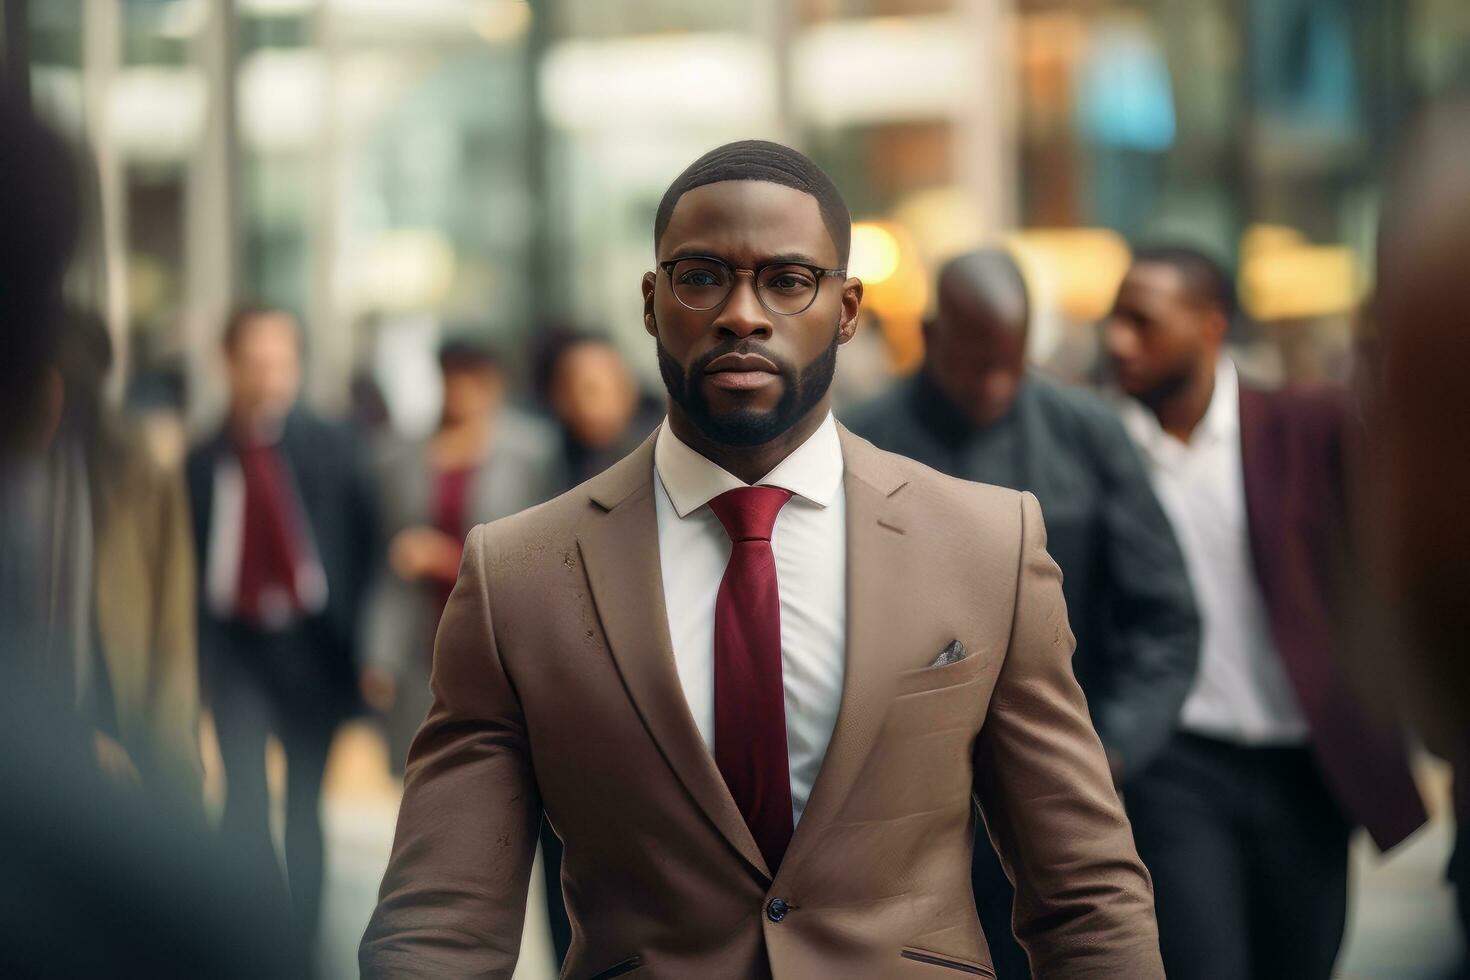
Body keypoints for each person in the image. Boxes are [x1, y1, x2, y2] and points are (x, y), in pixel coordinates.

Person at [362, 140, 1162, 979]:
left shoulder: (987, 546)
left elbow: (1085, 891)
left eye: (787, 281)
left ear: (848, 309)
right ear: (650, 301)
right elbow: (441, 920)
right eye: (701, 276)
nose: (742, 313)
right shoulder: (516, 575)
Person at [845, 246, 1199, 980]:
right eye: (978, 364)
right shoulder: (856, 445)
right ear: (933, 331)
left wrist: (1112, 751)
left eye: (1010, 363)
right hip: (905, 826)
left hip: (1072, 782)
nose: (995, 386)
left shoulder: (1088, 432)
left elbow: (1165, 615)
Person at [1104, 245, 1427, 980]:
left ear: (1209, 326)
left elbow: (1386, 567)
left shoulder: (1310, 426)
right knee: (1199, 962)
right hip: (1177, 765)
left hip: (1306, 764)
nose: (1118, 341)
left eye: (1143, 322)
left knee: (1301, 962)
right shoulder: (1106, 446)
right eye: (1113, 321)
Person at [186, 304, 378, 944]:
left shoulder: (332, 443)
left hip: (311, 646)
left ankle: (300, 941)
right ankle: (255, 937)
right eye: (256, 359)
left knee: (303, 808)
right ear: (229, 364)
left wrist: (367, 648)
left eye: (282, 359)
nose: (270, 373)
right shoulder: (201, 455)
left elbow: (365, 543)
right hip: (234, 646)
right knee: (240, 798)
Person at [362, 338, 563, 774]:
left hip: (499, 634)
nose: (462, 393)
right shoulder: (398, 453)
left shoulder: (531, 453)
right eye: (452, 379)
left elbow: (546, 551)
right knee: (421, 772)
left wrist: (447, 558)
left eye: (474, 381)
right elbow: (384, 561)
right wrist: (378, 653)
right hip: (422, 637)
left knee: (497, 771)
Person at [539, 331, 663, 490]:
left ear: (626, 389)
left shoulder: (657, 452)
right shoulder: (550, 458)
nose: (573, 400)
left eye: (591, 390)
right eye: (566, 388)